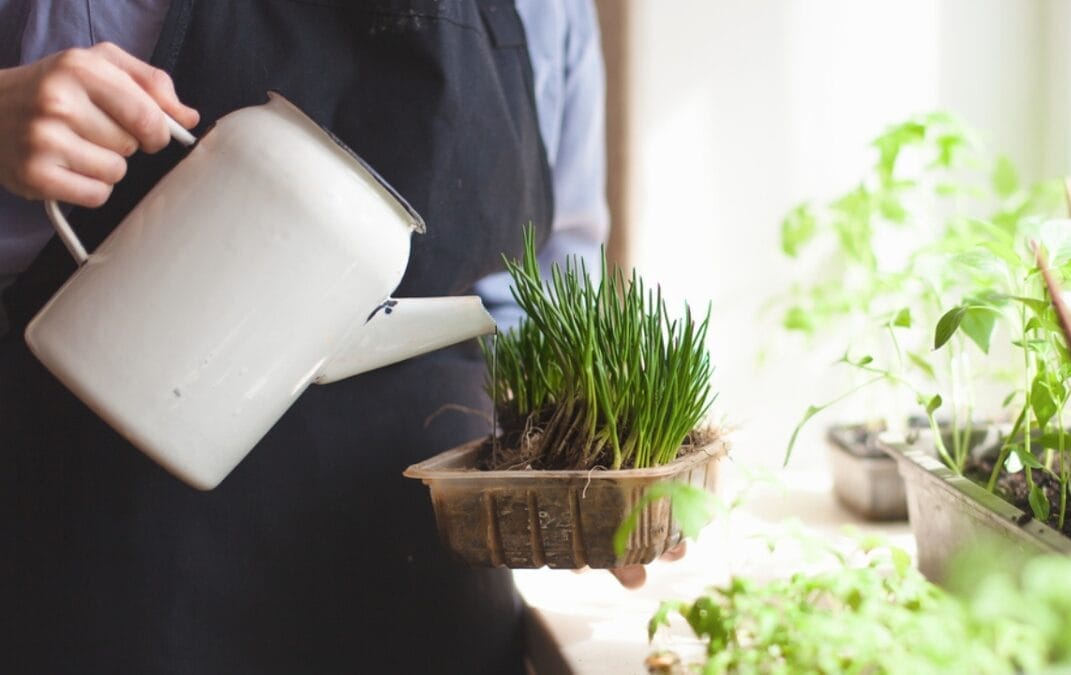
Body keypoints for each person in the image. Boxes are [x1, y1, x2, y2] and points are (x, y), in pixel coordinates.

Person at [0, 1, 654, 673]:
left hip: (430, 600)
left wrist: (596, 466)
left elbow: (536, 297)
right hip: (111, 577)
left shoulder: (552, 12)